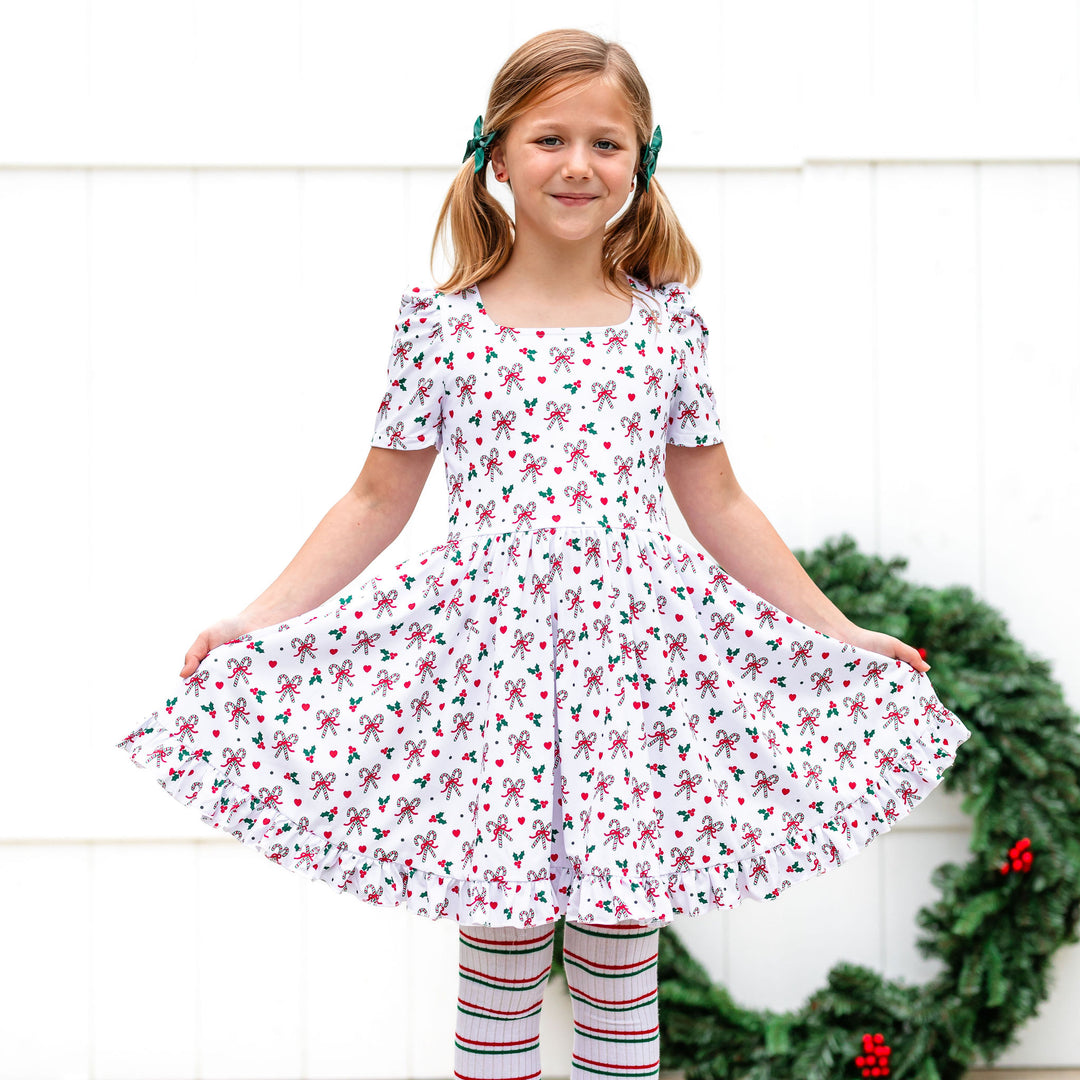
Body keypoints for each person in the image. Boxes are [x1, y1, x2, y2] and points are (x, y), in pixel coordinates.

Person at [116, 28, 972, 1080]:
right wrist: (259, 618)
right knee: (506, 935)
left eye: (607, 143)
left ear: (641, 161)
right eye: (550, 138)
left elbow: (719, 499)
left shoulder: (667, 330)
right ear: (498, 154)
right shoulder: (440, 328)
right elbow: (380, 495)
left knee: (618, 941)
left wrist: (835, 631)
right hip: (495, 663)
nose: (578, 165)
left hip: (627, 660)